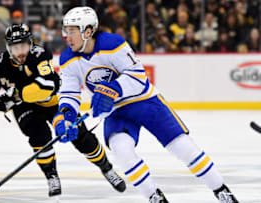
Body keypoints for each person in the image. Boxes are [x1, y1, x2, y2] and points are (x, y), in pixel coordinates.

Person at [52, 7, 239, 203]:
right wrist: (66, 116)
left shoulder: (112, 43)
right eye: (66, 30)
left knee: (183, 147)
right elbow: (69, 94)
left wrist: (113, 88)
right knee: (122, 152)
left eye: (72, 31)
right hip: (116, 112)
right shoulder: (67, 59)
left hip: (145, 102)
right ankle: (155, 197)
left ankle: (222, 192)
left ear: (87, 31)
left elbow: (138, 76)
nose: (67, 36)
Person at [0, 23, 126, 199]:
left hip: (53, 103)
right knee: (39, 135)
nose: (21, 51)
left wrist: (15, 96)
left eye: (23, 45)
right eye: (15, 47)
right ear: (8, 48)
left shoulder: (40, 54)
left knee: (81, 138)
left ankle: (106, 168)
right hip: (26, 108)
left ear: (30, 43)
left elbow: (46, 87)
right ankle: (51, 176)